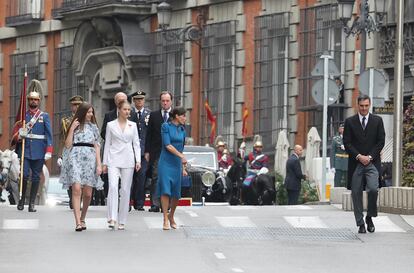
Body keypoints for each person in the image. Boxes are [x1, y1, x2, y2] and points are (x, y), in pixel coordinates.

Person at [343, 94, 385, 234]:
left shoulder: (377, 121)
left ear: (370, 105)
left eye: (366, 105)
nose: (364, 108)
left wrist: (370, 156)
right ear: (357, 105)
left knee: (373, 189)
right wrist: (359, 156)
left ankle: (369, 217)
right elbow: (347, 143)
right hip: (356, 163)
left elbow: (381, 141)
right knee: (356, 193)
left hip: (372, 163)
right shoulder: (350, 122)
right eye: (361, 106)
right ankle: (360, 223)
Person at [59, 102, 103, 231]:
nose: (90, 114)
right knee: (77, 188)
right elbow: (67, 145)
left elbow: (97, 146)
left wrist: (99, 164)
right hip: (75, 158)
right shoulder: (74, 125)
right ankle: (77, 221)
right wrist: (72, 129)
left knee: (88, 193)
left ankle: (83, 217)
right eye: (88, 112)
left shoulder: (94, 127)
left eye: (91, 112)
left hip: (90, 160)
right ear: (83, 112)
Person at [103, 100, 141, 230]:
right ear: (119, 110)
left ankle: (122, 219)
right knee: (113, 187)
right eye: (125, 109)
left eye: (129, 110)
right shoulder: (110, 125)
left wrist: (138, 160)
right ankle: (112, 217)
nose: (127, 112)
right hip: (113, 158)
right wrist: (104, 163)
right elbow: (107, 144)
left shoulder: (133, 125)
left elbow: (136, 143)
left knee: (125, 190)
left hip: (128, 159)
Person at [13, 89, 53, 212]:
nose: (33, 101)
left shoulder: (44, 116)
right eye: (31, 99)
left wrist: (49, 150)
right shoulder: (23, 116)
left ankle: (31, 204)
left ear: (39, 101)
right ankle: (21, 200)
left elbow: (49, 135)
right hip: (25, 151)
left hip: (39, 151)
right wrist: (19, 136)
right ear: (28, 101)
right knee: (24, 176)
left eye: (35, 99)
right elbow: (14, 133)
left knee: (36, 177)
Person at [100, 92, 138, 203]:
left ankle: (126, 202)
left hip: (127, 155)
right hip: (114, 153)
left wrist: (137, 158)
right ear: (116, 102)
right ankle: (113, 202)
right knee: (113, 183)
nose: (122, 102)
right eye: (120, 100)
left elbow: (135, 137)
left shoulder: (133, 115)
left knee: (126, 184)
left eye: (124, 99)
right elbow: (104, 133)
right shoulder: (109, 115)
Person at [157, 107, 187, 230]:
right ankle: (165, 217)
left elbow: (181, 148)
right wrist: (181, 156)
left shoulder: (182, 130)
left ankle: (171, 215)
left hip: (176, 163)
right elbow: (167, 145)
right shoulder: (165, 126)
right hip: (165, 162)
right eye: (183, 115)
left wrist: (183, 167)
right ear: (176, 116)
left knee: (176, 193)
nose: (185, 118)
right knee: (165, 189)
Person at [145, 91, 173, 212]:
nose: (165, 103)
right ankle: (155, 204)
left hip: (171, 152)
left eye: (167, 101)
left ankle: (167, 205)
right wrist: (147, 151)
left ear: (171, 101)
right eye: (163, 101)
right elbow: (149, 134)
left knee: (168, 178)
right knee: (156, 177)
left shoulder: (175, 115)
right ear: (160, 101)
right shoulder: (154, 115)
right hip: (157, 152)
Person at [58, 95, 84, 209]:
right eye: (75, 105)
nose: (77, 107)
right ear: (71, 106)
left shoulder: (87, 119)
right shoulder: (65, 121)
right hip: (69, 151)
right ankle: (72, 199)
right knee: (70, 177)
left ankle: (79, 200)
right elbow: (61, 139)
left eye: (79, 104)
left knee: (82, 177)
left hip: (83, 152)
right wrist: (60, 156)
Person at [129, 90, 151, 211]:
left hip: (143, 152)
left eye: (141, 99)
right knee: (129, 177)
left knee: (141, 177)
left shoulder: (149, 114)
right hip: (130, 151)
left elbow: (150, 134)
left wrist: (148, 151)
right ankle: (128, 201)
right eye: (137, 99)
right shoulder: (129, 113)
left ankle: (139, 202)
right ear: (133, 101)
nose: (139, 101)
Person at [330, 122, 348, 187]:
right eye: (342, 128)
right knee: (337, 181)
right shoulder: (335, 139)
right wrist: (332, 166)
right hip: (338, 163)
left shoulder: (351, 139)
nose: (344, 130)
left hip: (347, 162)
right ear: (339, 130)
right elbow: (332, 153)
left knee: (348, 181)